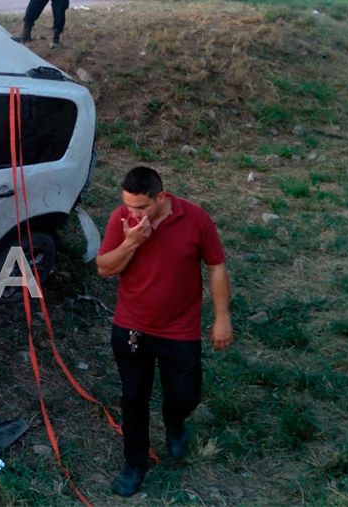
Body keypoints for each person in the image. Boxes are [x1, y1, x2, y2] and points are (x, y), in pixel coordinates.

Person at [95, 166, 233, 498]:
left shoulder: (195, 219)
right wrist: (131, 242)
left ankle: (175, 422)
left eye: (141, 207)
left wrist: (222, 317)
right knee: (133, 398)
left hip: (180, 329)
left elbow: (216, 266)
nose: (133, 212)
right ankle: (135, 463)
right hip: (132, 326)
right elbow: (104, 268)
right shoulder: (122, 220)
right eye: (128, 204)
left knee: (185, 394)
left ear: (162, 197)